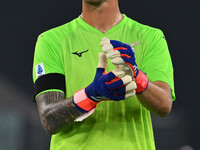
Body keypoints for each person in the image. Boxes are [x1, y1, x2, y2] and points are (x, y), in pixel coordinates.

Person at [32, 0, 175, 149]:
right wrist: (90, 95)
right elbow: (49, 120)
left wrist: (137, 77)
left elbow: (164, 105)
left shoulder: (151, 37)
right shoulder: (50, 41)